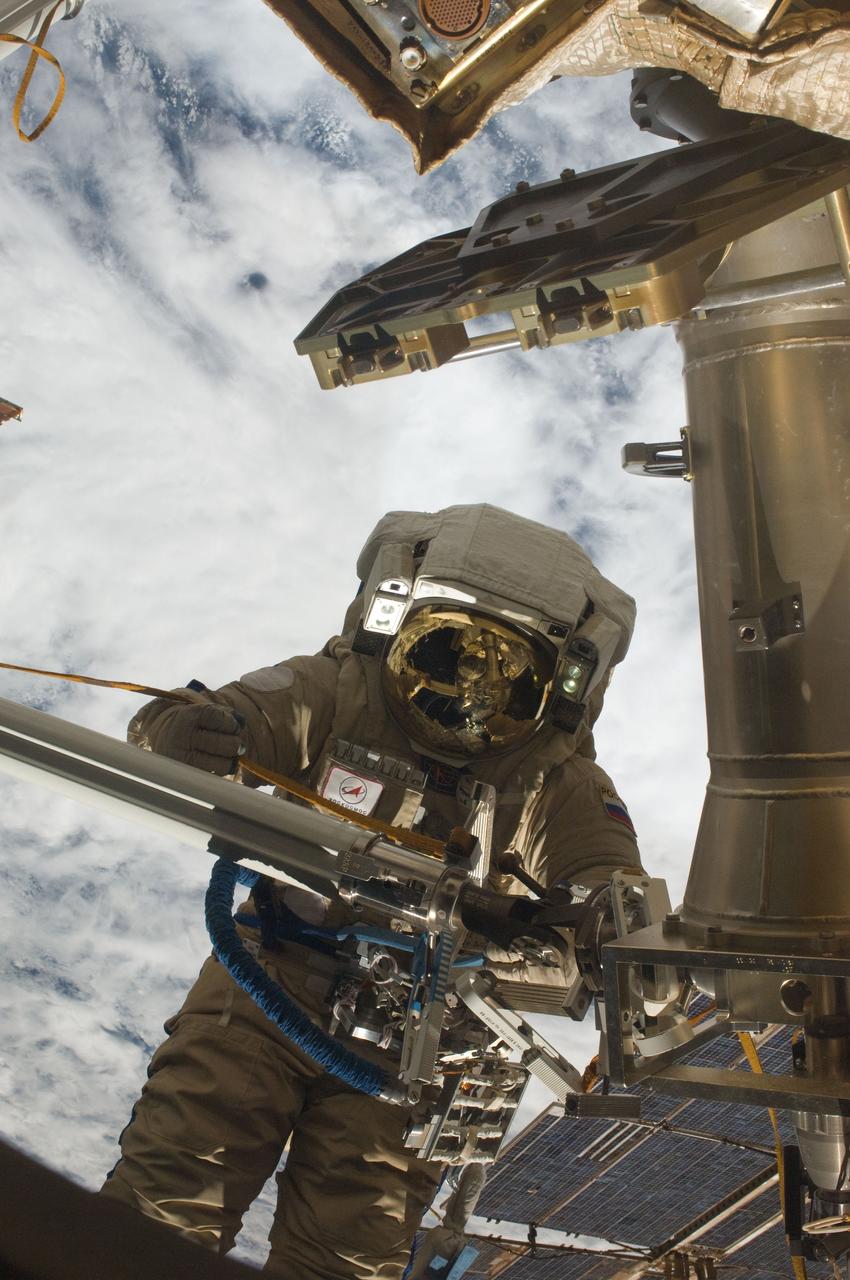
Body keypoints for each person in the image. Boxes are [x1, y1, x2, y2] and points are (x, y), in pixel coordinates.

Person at [100, 503, 643, 1280]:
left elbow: (609, 895)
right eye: (451, 648)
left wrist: (587, 939)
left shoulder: (561, 780)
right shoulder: (337, 689)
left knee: (347, 1260)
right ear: (403, 619)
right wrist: (182, 731)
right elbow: (228, 716)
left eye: (502, 668)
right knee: (167, 1203)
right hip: (275, 978)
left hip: (434, 1033)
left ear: (558, 681)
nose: (470, 681)